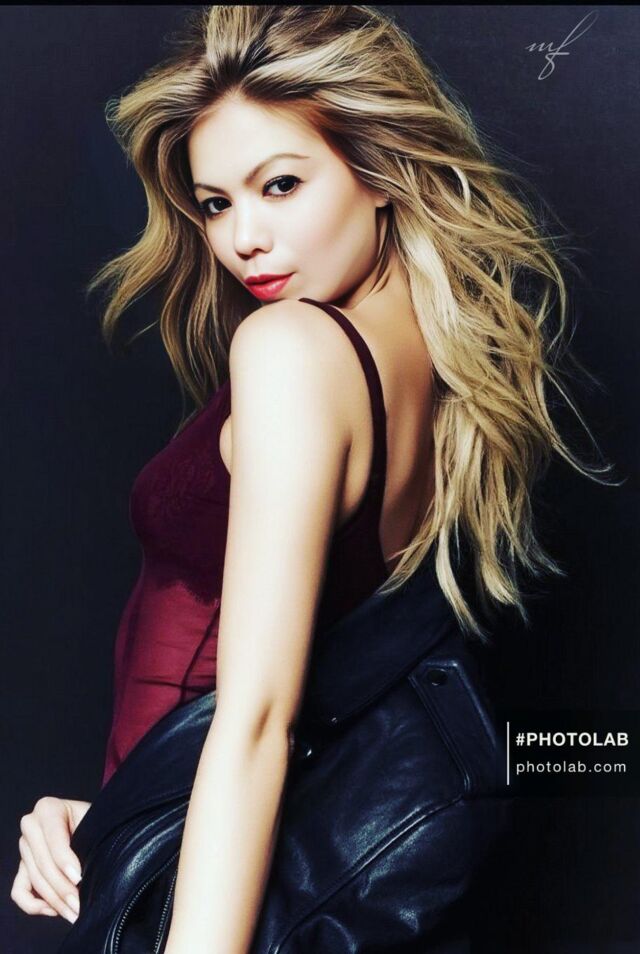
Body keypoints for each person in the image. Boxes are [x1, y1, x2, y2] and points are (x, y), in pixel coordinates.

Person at [11, 5, 612, 950]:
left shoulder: (291, 349)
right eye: (215, 203)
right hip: (182, 843)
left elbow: (259, 720)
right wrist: (125, 819)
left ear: (378, 169)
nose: (243, 237)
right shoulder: (426, 354)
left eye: (281, 184)